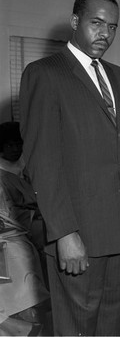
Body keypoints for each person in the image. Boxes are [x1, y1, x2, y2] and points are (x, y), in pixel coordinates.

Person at [19, 0, 120, 336]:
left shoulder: (118, 76)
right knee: (77, 328)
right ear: (74, 21)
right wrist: (65, 233)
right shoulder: (45, 73)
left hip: (119, 234)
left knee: (113, 326)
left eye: (112, 27)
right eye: (96, 23)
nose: (105, 33)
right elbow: (43, 163)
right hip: (77, 233)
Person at [0, 122, 49, 336]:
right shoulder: (3, 177)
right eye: (9, 145)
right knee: (21, 306)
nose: (15, 148)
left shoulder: (23, 169)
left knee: (32, 305)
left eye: (18, 143)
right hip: (9, 249)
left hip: (26, 244)